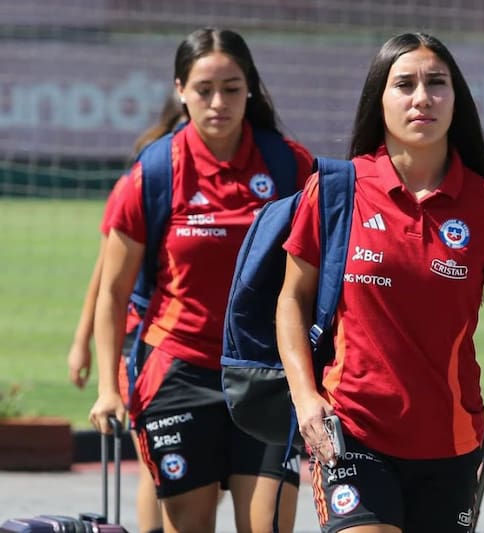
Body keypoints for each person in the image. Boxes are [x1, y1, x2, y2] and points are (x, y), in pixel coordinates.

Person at [275, 32, 484, 533]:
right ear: (380, 99)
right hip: (352, 431)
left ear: (456, 99)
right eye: (405, 84)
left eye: (436, 83)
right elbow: (292, 298)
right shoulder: (336, 191)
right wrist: (305, 397)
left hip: (451, 444)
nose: (422, 97)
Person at [88, 27, 314, 533]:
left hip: (266, 372)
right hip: (179, 374)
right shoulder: (153, 172)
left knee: (268, 526)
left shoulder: (289, 166)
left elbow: (323, 274)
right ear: (180, 90)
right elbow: (113, 291)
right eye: (204, 89)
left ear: (250, 88)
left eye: (232, 88)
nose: (218, 102)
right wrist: (108, 386)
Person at [68, 93, 186, 533]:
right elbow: (106, 277)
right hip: (142, 342)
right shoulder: (145, 178)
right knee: (153, 459)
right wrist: (82, 341)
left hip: (193, 346)